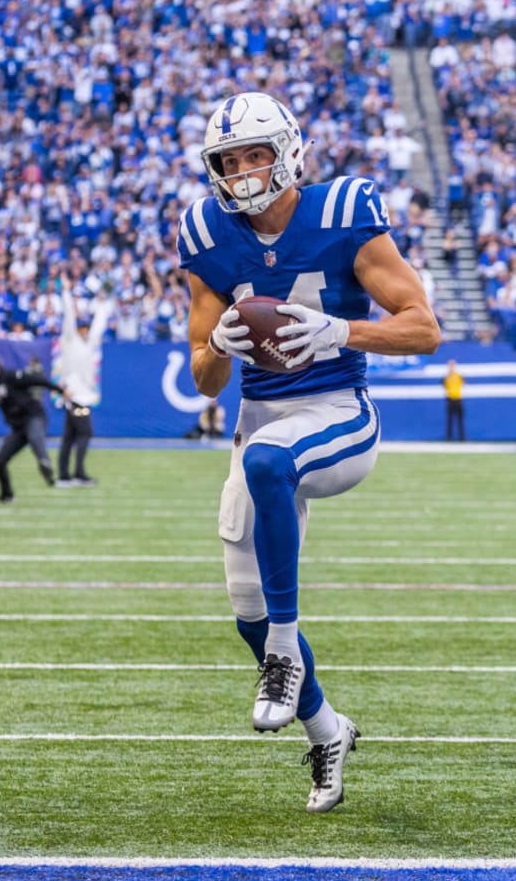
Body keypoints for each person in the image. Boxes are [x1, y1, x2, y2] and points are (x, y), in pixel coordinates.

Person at [180, 91, 440, 812]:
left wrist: (340, 332)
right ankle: (327, 730)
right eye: (227, 161)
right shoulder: (206, 231)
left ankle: (286, 654)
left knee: (269, 463)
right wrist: (219, 346)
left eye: (254, 155)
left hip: (336, 411)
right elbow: (204, 378)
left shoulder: (345, 209)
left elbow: (424, 329)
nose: (241, 172)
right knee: (244, 609)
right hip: (258, 415)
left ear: (288, 151)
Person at [0, 352, 62, 504]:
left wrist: (60, 389)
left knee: (35, 437)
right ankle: (7, 495)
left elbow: (37, 380)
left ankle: (44, 462)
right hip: (18, 427)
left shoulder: (11, 375)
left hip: (33, 416)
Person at [54, 289, 112, 486]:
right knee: (84, 433)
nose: (85, 330)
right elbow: (69, 317)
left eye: (87, 328)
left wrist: (103, 302)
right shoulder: (69, 341)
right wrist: (66, 292)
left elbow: (100, 324)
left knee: (70, 435)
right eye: (82, 328)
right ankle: (77, 473)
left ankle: (64, 475)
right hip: (74, 396)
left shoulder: (89, 344)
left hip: (82, 396)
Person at [443, 358, 465, 441]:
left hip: (458, 399)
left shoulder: (459, 375)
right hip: (450, 399)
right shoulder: (446, 377)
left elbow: (463, 383)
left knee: (460, 420)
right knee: (450, 420)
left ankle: (462, 438)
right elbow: (444, 385)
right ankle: (449, 438)